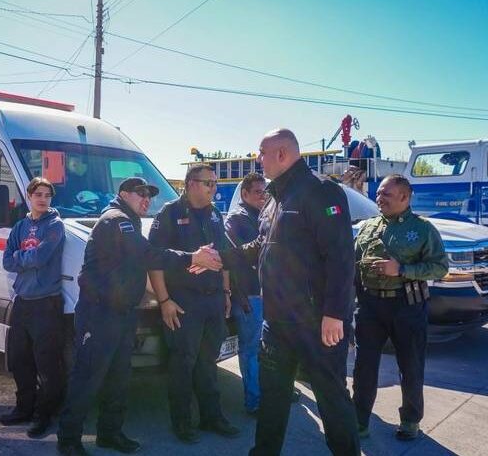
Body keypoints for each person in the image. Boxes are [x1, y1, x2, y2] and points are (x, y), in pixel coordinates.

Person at [57, 177, 224, 456]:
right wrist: (192, 257)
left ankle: (110, 433)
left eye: (149, 195)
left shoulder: (131, 221)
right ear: (123, 194)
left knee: (119, 377)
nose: (146, 199)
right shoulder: (117, 220)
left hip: (122, 313)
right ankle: (68, 439)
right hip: (100, 314)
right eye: (140, 193)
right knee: (88, 378)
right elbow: (148, 255)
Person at [236, 129, 359, 456]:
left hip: (315, 323)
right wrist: (222, 257)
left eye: (262, 152)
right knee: (273, 398)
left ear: (282, 154)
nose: (258, 159)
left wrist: (334, 313)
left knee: (331, 399)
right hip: (277, 322)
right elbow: (262, 245)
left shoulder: (320, 191)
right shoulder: (274, 198)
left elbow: (341, 256)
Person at [148, 164, 240, 444]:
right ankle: (182, 422)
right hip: (183, 302)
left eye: (215, 183)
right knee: (182, 364)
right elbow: (154, 259)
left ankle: (212, 417)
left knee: (208, 363)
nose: (214, 188)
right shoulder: (169, 213)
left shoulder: (215, 214)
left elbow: (223, 255)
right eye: (208, 183)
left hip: (213, 300)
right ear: (190, 184)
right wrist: (164, 300)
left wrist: (226, 292)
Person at [353, 174, 447, 441]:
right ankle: (359, 421)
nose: (379, 198)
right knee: (364, 367)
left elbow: (440, 267)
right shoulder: (367, 226)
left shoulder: (423, 229)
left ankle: (410, 421)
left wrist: (402, 269)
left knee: (411, 366)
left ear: (405, 197)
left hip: (406, 305)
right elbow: (353, 263)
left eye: (386, 194)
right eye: (379, 193)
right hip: (370, 306)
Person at [1, 177, 66, 438]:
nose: (43, 199)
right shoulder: (20, 226)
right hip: (22, 302)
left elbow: (41, 256)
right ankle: (24, 409)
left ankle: (43, 416)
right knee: (20, 360)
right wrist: (23, 258)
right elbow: (7, 261)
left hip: (46, 303)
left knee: (47, 364)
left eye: (47, 195)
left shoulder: (55, 225)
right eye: (38, 194)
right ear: (29, 196)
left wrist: (20, 257)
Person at [224, 172, 267, 416]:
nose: (263, 196)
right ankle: (254, 399)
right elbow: (238, 257)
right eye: (258, 192)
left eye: (265, 192)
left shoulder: (262, 215)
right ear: (244, 194)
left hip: (265, 292)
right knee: (251, 348)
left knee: (265, 348)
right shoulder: (237, 219)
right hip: (249, 295)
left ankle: (267, 391)